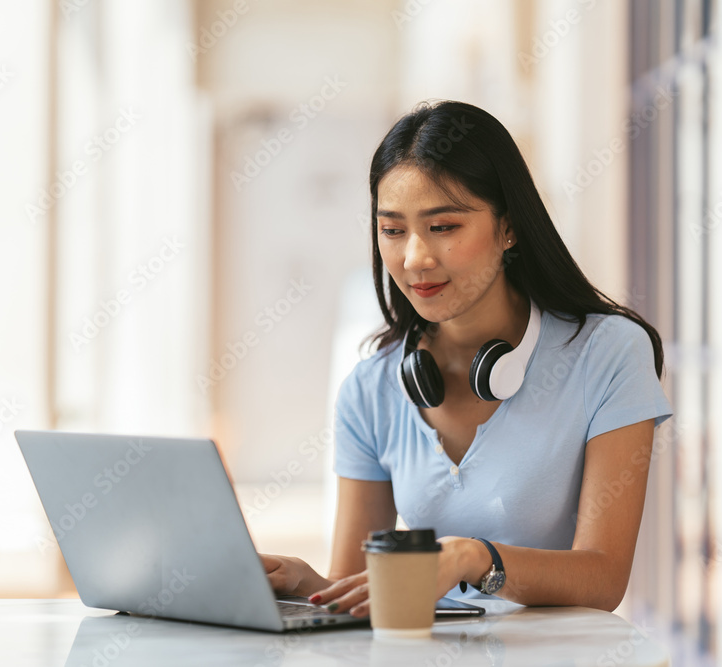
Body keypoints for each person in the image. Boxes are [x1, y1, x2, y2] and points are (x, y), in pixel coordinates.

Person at [260, 100, 674, 618]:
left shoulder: (607, 353)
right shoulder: (370, 388)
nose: (415, 259)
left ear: (509, 227)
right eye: (392, 230)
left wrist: (475, 559)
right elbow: (357, 592)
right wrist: (308, 583)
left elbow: (603, 577)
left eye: (444, 226)